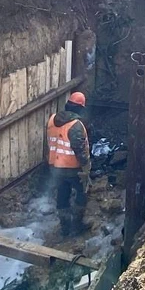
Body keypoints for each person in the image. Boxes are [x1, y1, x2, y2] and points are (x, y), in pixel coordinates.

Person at [46, 91, 91, 236]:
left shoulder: (52, 119)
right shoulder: (76, 125)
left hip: (55, 168)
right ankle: (77, 226)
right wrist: (86, 167)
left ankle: (65, 228)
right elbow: (80, 149)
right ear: (80, 108)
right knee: (82, 192)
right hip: (73, 168)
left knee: (62, 194)